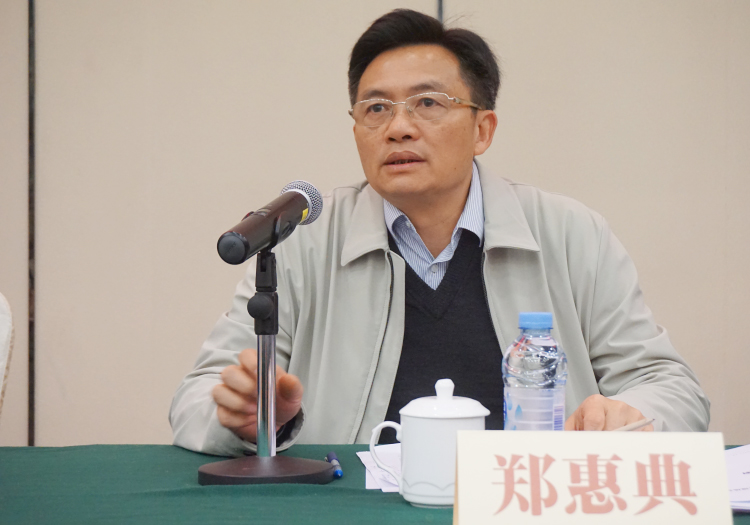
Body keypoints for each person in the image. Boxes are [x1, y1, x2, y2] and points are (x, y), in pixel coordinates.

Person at [170, 9, 709, 457]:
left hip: (524, 502)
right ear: (356, 129)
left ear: (482, 129)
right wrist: (250, 420)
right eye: (376, 108)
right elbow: (197, 399)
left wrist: (628, 415)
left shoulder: (570, 233)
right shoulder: (303, 242)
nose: (398, 127)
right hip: (353, 506)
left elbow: (671, 387)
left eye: (428, 103)